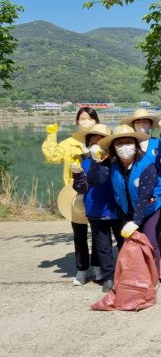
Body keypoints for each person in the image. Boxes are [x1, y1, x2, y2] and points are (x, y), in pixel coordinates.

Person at [90, 125, 161, 274]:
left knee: (149, 241)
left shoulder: (147, 165)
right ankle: (138, 274)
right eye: (119, 143)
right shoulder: (112, 164)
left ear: (136, 145)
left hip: (151, 208)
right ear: (113, 147)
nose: (124, 146)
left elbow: (145, 196)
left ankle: (155, 275)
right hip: (128, 209)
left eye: (128, 142)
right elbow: (95, 181)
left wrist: (136, 222)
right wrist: (95, 161)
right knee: (131, 243)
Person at [42, 106, 102, 285]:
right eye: (83, 118)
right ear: (77, 122)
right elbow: (52, 157)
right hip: (75, 193)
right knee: (79, 233)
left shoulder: (102, 139)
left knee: (99, 231)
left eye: (90, 118)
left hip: (98, 191)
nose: (86, 122)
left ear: (96, 121)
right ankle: (82, 269)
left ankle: (97, 266)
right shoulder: (69, 143)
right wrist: (51, 135)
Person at [72, 124, 121, 292]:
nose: (97, 145)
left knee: (123, 243)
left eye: (101, 142)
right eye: (93, 142)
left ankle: (126, 272)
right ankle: (109, 276)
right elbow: (81, 187)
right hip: (95, 210)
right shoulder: (85, 164)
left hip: (116, 208)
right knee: (103, 246)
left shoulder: (116, 161)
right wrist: (77, 176)